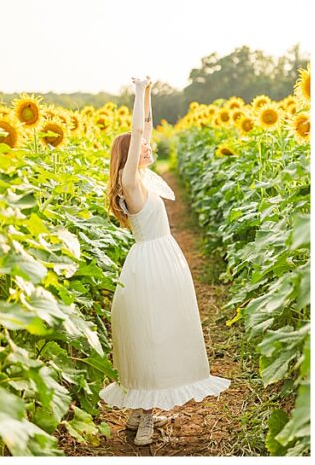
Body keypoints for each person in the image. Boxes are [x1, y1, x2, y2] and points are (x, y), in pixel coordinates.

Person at [102, 76, 230, 446]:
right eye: (142, 146)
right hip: (149, 267)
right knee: (150, 336)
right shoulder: (132, 184)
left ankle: (142, 412)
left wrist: (148, 93)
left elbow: (144, 128)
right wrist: (139, 93)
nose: (148, 145)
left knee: (157, 333)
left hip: (159, 260)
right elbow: (136, 132)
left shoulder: (141, 178)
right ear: (129, 156)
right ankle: (144, 417)